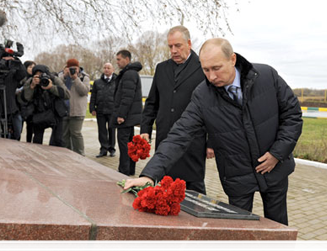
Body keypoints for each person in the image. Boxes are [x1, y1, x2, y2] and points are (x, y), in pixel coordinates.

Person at [125, 38, 303, 225]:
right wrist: (149, 175)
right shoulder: (202, 96)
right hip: (236, 175)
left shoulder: (266, 76)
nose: (211, 77)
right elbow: (179, 135)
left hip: (275, 168)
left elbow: (293, 115)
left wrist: (277, 153)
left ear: (232, 59)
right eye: (205, 70)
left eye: (216, 68)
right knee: (239, 230)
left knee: (278, 229)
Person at [140, 25, 207, 194]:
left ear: (189, 43)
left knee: (193, 192)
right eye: (170, 46)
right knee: (165, 188)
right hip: (165, 137)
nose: (173, 50)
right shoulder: (162, 68)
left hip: (192, 142)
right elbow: (152, 102)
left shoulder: (203, 69)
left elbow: (211, 108)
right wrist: (145, 129)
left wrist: (211, 143)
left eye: (178, 46)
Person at [111, 50, 143, 176]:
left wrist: (121, 115)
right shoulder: (130, 73)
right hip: (129, 117)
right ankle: (129, 170)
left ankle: (124, 171)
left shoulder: (129, 74)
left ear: (127, 59)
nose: (117, 62)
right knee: (129, 144)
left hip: (126, 117)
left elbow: (127, 97)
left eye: (119, 59)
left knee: (124, 145)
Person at [21, 64, 69, 146]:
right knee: (37, 140)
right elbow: (26, 98)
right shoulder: (30, 81)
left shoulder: (54, 79)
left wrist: (51, 87)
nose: (40, 77)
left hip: (56, 113)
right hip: (39, 113)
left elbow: (67, 95)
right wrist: (32, 86)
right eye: (37, 75)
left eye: (42, 74)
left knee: (58, 140)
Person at [59, 59, 90, 155]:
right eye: (70, 68)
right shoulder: (62, 76)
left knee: (76, 134)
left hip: (77, 111)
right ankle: (67, 154)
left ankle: (80, 154)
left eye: (75, 68)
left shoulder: (84, 77)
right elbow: (58, 87)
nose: (73, 70)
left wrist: (75, 78)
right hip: (64, 110)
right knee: (64, 135)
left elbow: (84, 92)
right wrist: (64, 76)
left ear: (78, 67)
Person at [90, 63, 117, 158]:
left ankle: (112, 149)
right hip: (100, 110)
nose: (106, 69)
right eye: (105, 68)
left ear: (112, 69)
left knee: (112, 130)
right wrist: (92, 108)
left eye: (108, 68)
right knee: (102, 131)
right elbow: (93, 96)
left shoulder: (117, 81)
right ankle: (103, 149)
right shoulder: (97, 82)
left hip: (112, 110)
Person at [17, 60, 36, 142]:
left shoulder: (35, 79)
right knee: (18, 129)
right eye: (30, 67)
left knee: (30, 130)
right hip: (20, 106)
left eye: (33, 67)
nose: (32, 69)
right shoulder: (21, 78)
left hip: (31, 107)